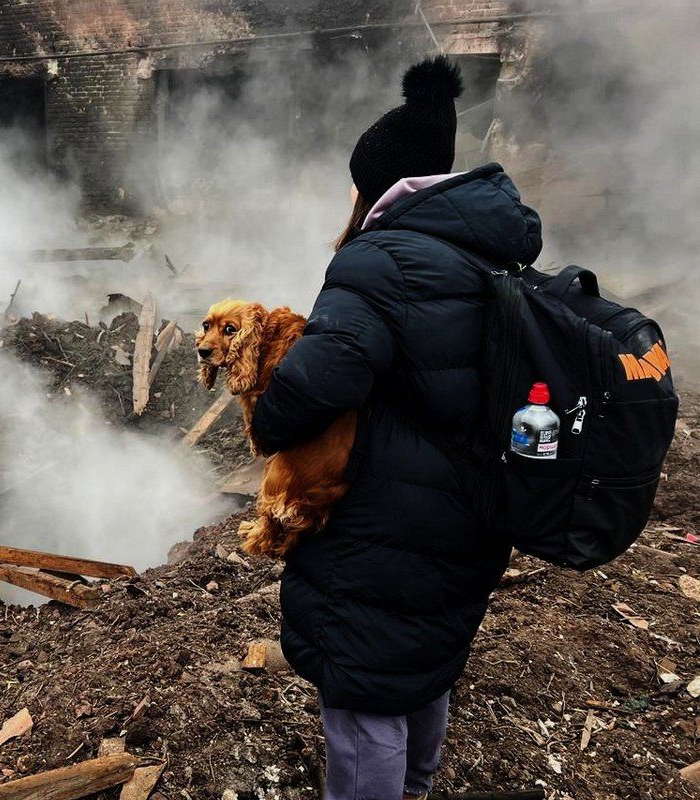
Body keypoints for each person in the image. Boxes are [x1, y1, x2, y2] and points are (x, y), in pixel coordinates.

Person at [250, 55, 543, 800]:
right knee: (423, 658)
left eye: (357, 180)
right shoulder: (492, 253)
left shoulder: (378, 261)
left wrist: (266, 405)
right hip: (473, 512)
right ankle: (415, 787)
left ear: (378, 185)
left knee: (363, 691)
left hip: (387, 523)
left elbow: (313, 389)